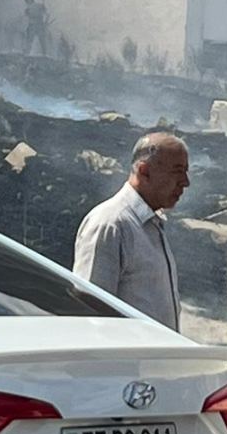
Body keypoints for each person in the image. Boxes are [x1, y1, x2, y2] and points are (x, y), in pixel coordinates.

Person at [72, 131, 189, 330]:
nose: (185, 182)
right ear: (144, 171)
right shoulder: (109, 224)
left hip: (152, 360)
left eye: (186, 172)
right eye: (177, 172)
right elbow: (89, 311)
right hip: (126, 361)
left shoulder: (151, 223)